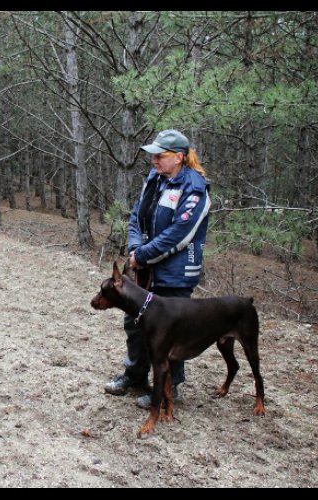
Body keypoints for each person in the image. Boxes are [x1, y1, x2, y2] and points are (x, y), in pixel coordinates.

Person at [104, 129, 211, 409]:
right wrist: (134, 248)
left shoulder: (195, 188)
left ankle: (168, 387)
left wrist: (144, 255)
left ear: (178, 157)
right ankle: (134, 375)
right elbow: (137, 216)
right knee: (135, 323)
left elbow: (180, 233)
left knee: (170, 330)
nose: (153, 161)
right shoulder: (154, 179)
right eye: (152, 155)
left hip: (175, 273)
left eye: (159, 156)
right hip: (144, 268)